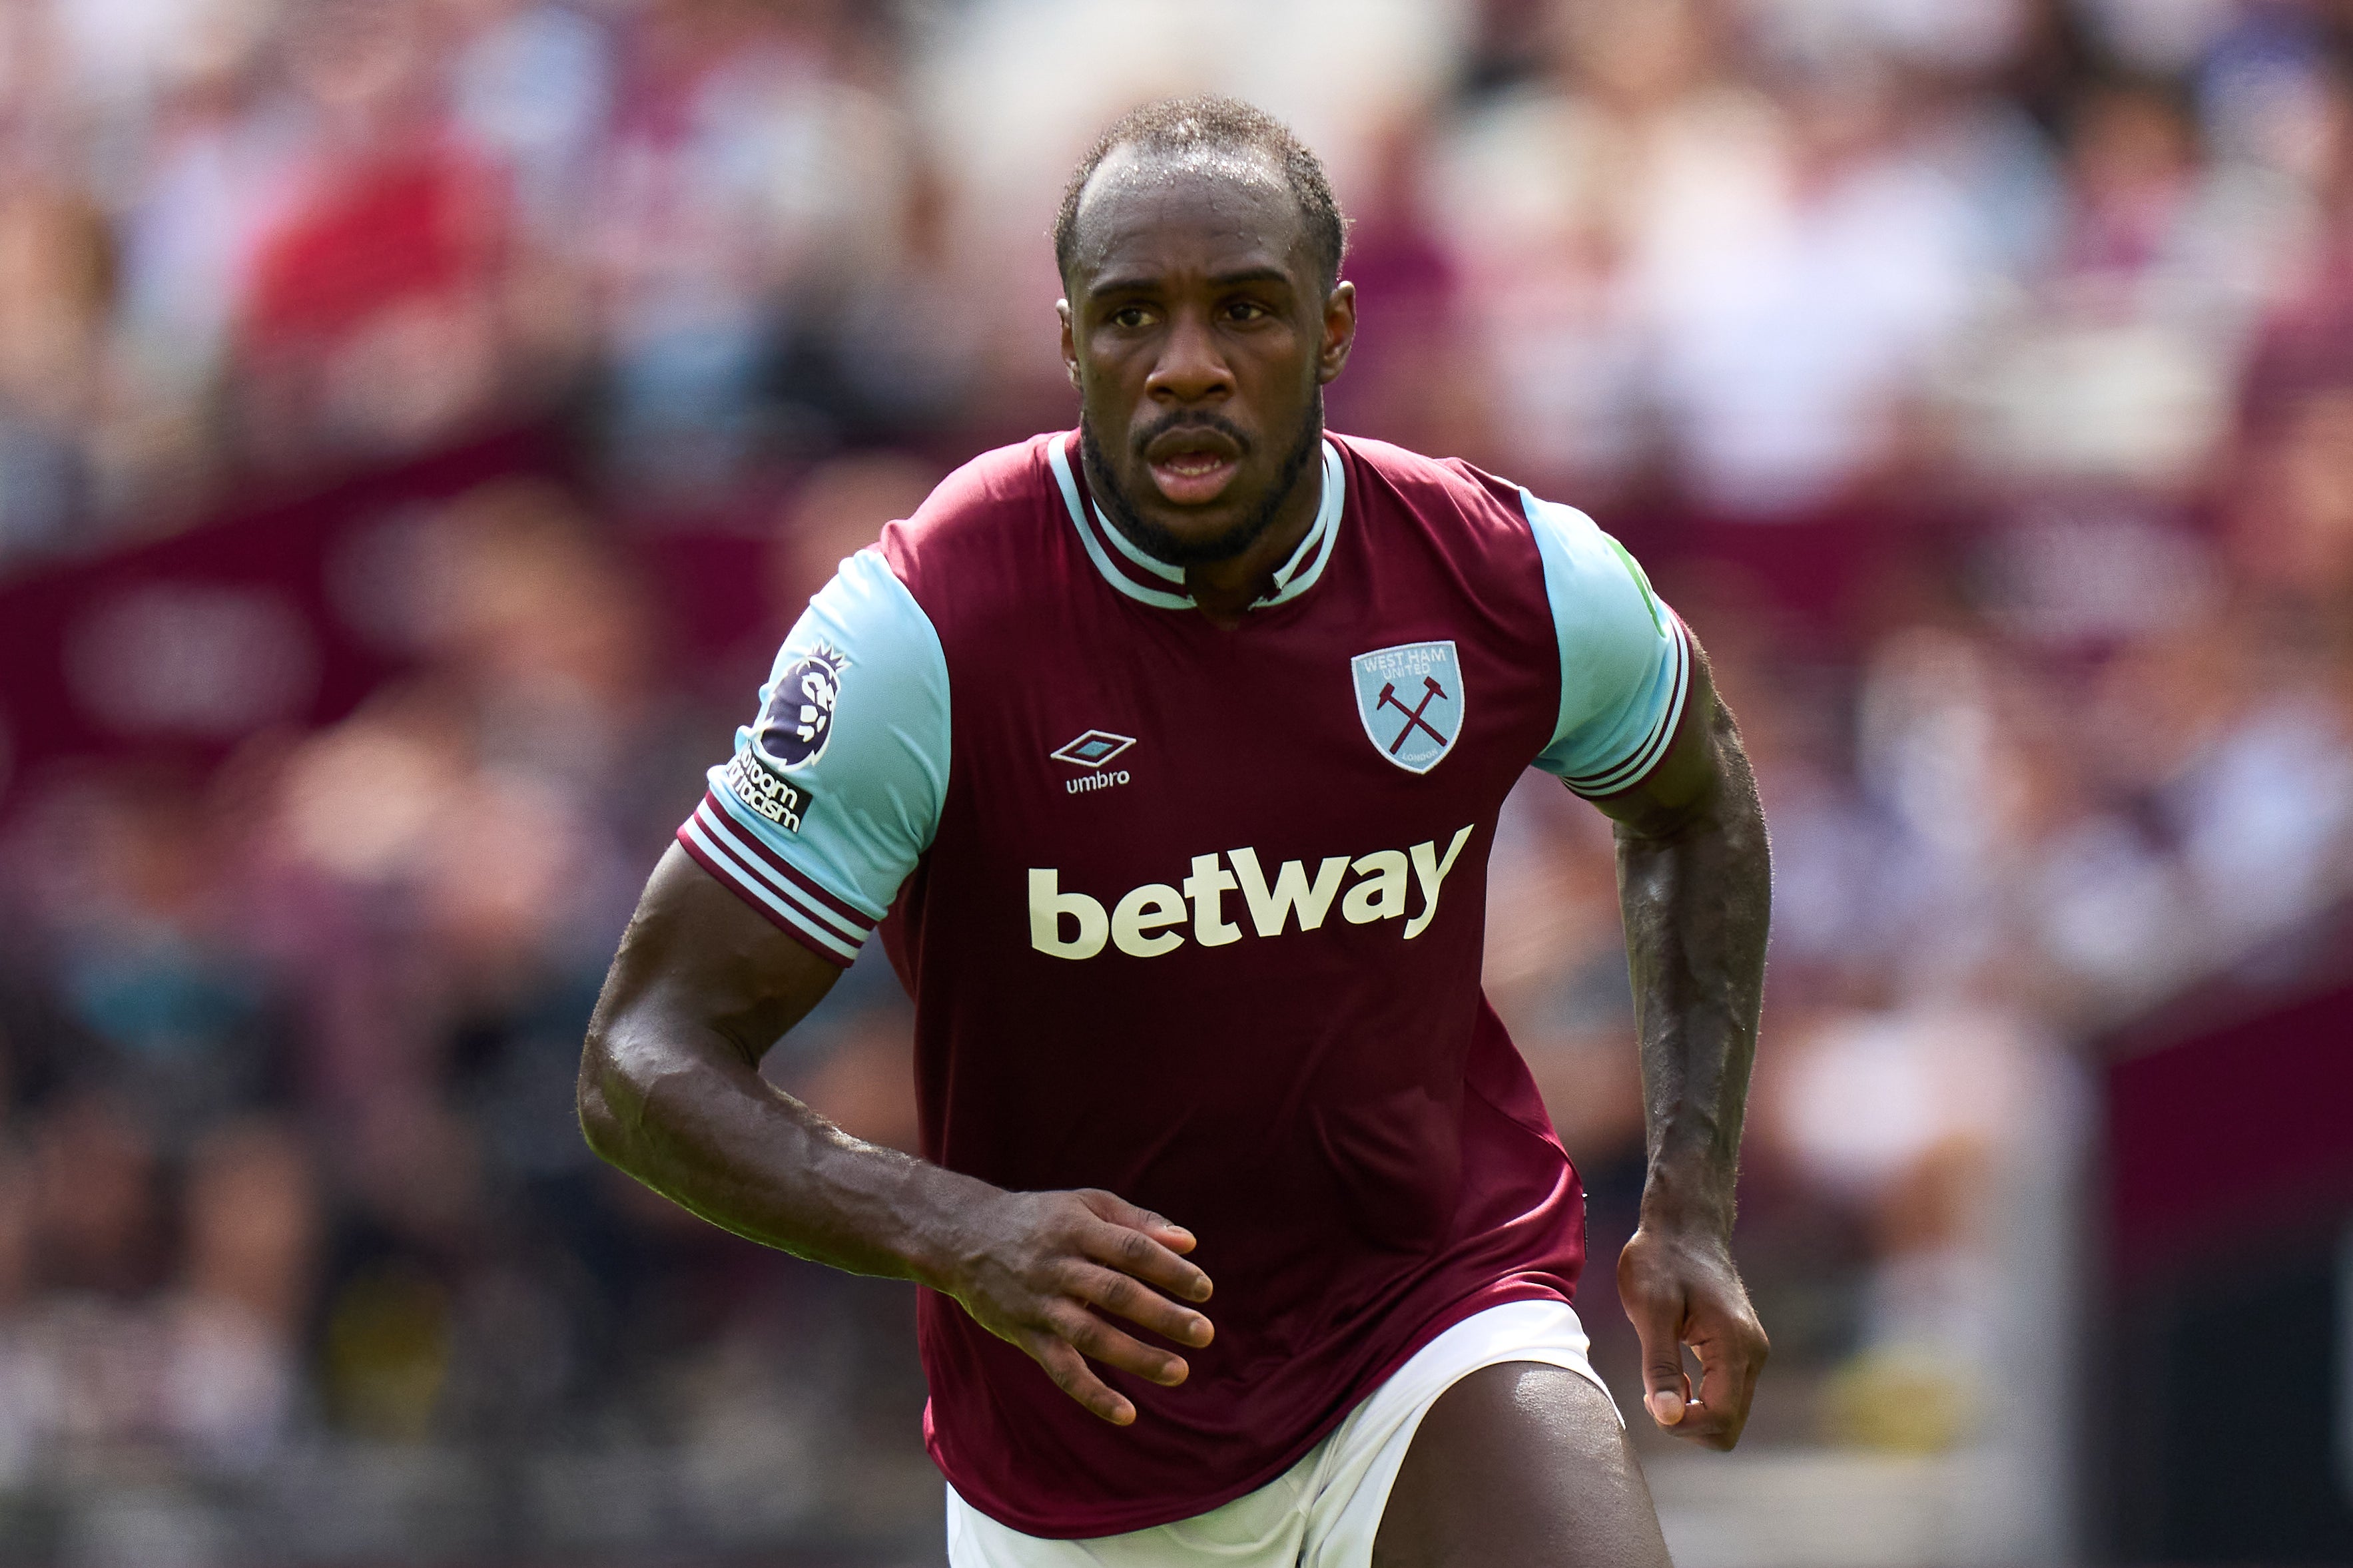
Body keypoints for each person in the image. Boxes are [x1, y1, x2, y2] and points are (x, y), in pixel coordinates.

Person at [579, 95, 1770, 1567]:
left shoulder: (1507, 575)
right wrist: (959, 1230)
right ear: (1071, 337)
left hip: (1427, 1320)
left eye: (1246, 311)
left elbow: (1697, 798)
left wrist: (1694, 1202)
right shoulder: (927, 629)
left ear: (1334, 332)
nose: (1187, 365)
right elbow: (640, 1059)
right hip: (1088, 1453)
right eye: (1133, 314)